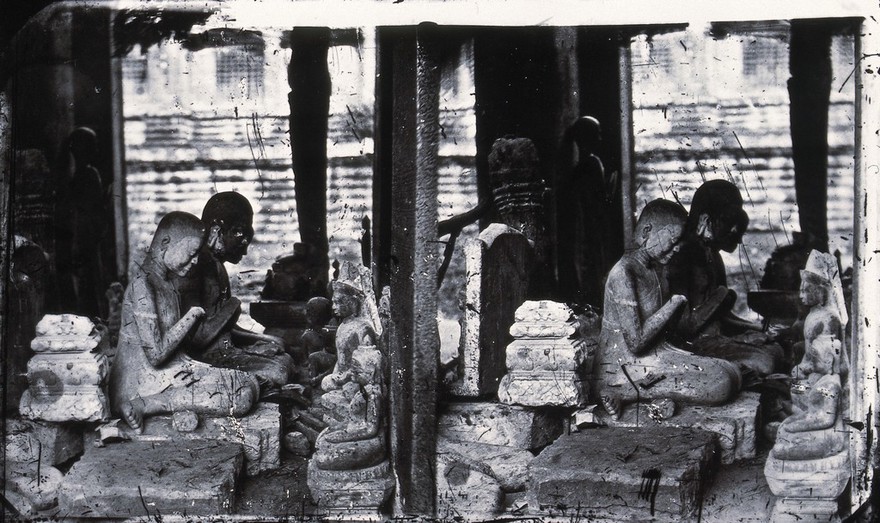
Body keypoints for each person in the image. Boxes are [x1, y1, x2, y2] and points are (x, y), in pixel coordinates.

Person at [109, 212, 259, 432]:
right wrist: (191, 316)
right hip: (139, 383)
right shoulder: (142, 286)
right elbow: (156, 354)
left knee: (249, 383)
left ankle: (158, 402)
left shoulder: (168, 283)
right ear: (166, 243)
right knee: (241, 395)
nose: (196, 260)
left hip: (168, 373)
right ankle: (144, 405)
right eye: (192, 252)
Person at [594, 199, 741, 419]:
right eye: (674, 239)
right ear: (647, 231)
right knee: (721, 381)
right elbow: (635, 343)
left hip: (654, 358)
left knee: (731, 371)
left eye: (681, 240)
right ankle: (621, 393)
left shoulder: (656, 270)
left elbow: (668, 332)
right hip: (621, 367)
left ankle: (653, 392)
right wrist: (673, 304)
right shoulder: (623, 273)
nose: (679, 247)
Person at [663, 180, 783, 377]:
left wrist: (755, 329)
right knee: (765, 362)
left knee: (775, 349)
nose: (735, 231)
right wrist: (720, 296)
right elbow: (684, 327)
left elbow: (722, 317)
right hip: (690, 346)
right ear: (706, 218)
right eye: (728, 221)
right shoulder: (682, 256)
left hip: (716, 339)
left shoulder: (712, 254)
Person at [176, 192, 294, 389]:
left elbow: (226, 329)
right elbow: (194, 339)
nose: (245, 249)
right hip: (200, 359)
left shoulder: (217, 266)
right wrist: (232, 307)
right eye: (239, 235)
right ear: (216, 229)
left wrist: (263, 338)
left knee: (284, 357)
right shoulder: (194, 266)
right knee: (278, 372)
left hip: (223, 351)